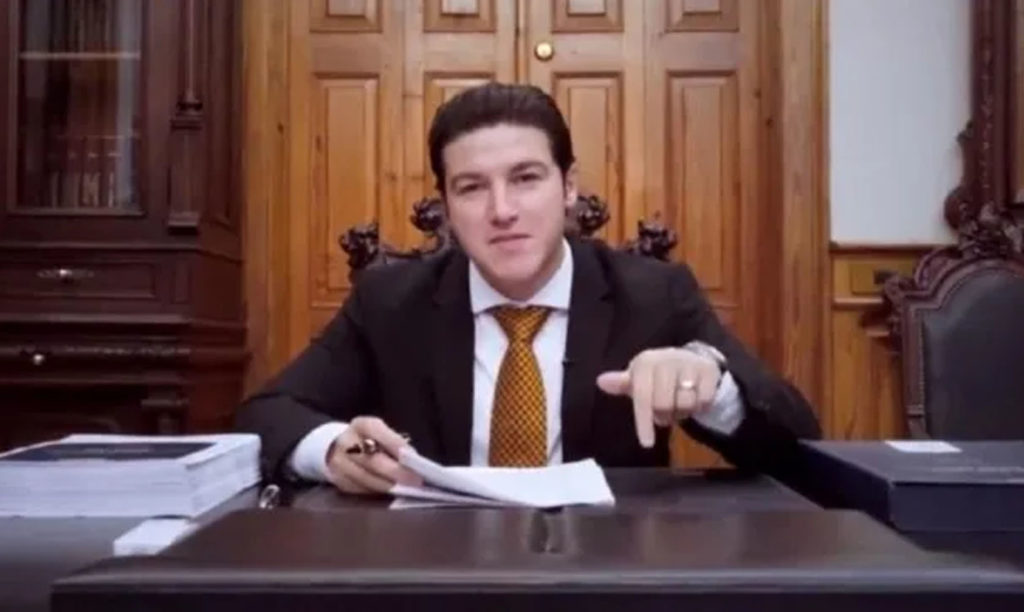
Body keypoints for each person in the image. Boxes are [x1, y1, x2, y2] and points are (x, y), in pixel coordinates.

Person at [236, 82, 820, 495]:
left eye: (526, 178)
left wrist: (711, 389)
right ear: (446, 206)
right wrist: (332, 449)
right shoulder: (389, 302)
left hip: (603, 575)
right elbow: (265, 415)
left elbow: (799, 445)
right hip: (439, 573)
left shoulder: (654, 296)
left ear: (568, 187)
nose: (502, 210)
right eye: (471, 187)